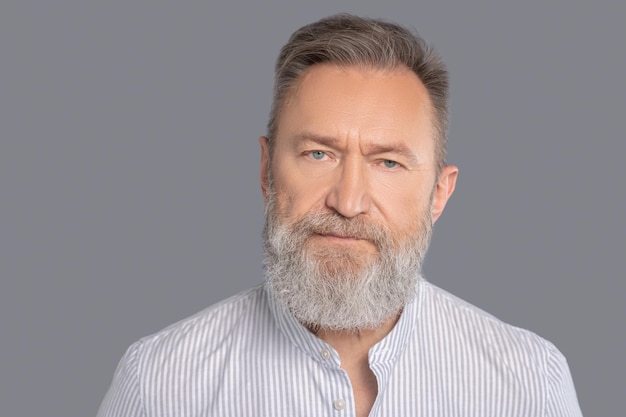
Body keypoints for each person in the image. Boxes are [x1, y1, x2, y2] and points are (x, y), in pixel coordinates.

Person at [97, 13, 583, 417]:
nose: (348, 202)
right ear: (267, 171)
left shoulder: (528, 384)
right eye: (317, 154)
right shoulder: (160, 383)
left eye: (388, 162)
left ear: (439, 192)